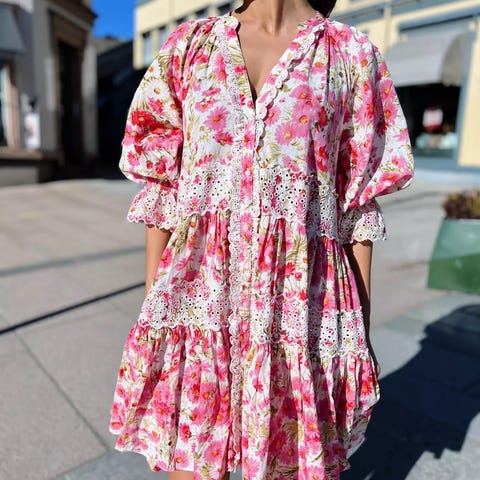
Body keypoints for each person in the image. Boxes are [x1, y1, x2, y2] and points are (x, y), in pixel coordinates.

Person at [108, 1, 414, 479]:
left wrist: (359, 336)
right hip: (199, 313)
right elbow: (162, 191)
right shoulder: (189, 48)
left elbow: (356, 208)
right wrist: (156, 315)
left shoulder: (351, 55)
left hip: (302, 317)